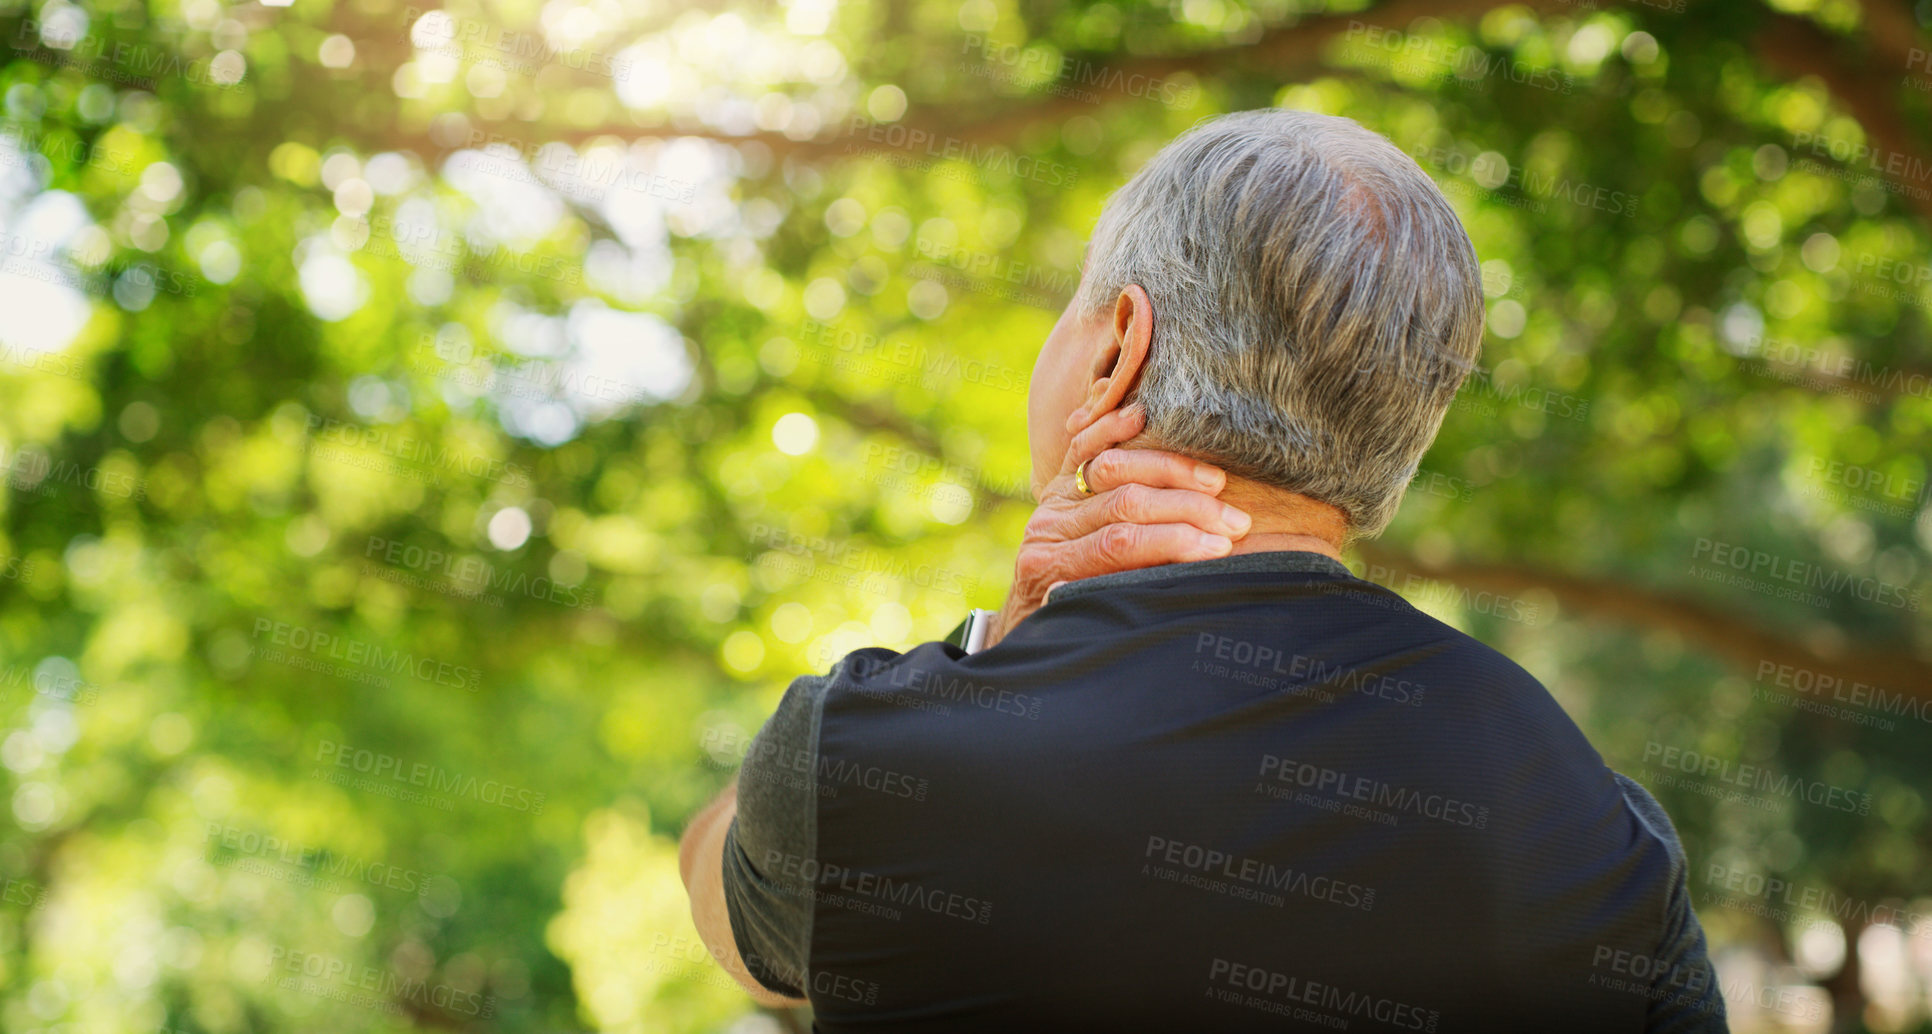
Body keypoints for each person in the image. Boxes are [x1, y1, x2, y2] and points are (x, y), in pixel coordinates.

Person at [679, 108, 1727, 1032]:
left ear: (1116, 348)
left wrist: (987, 653)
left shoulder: (871, 757)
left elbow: (728, 903)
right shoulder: (1593, 822)